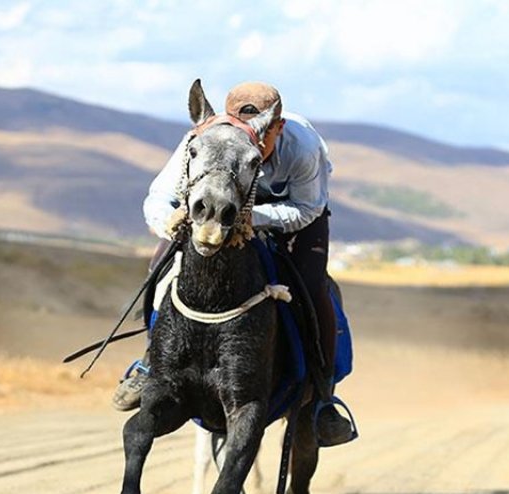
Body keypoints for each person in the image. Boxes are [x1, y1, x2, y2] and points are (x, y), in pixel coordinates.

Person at [113, 81, 355, 447]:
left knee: (312, 283)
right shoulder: (204, 138)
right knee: (161, 263)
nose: (252, 143)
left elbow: (306, 209)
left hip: (295, 211)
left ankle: (322, 396)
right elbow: (159, 197)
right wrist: (172, 221)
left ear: (279, 126)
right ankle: (152, 366)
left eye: (263, 136)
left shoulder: (304, 148)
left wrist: (248, 218)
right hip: (217, 209)